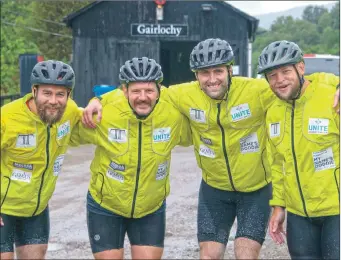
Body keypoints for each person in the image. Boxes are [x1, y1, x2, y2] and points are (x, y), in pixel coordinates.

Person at [81, 39, 339, 259]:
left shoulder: (258, 89)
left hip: (255, 189)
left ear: (230, 71)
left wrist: (337, 83)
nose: (212, 79)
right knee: (208, 255)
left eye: (218, 71)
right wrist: (100, 99)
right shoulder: (182, 94)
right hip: (214, 189)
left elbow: (304, 84)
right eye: (205, 73)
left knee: (245, 253)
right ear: (196, 76)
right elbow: (142, 89)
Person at [69, 57, 192, 259]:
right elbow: (61, 133)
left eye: (149, 91)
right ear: (124, 90)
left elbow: (208, 128)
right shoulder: (104, 114)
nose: (142, 97)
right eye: (136, 91)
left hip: (150, 208)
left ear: (159, 89)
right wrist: (97, 99)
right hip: (105, 206)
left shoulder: (173, 116)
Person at [258, 40, 340, 259]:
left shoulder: (332, 97)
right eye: (272, 75)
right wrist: (278, 205)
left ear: (301, 68)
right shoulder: (273, 112)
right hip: (299, 216)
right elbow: (278, 163)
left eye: (286, 71)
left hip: (337, 212)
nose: (280, 80)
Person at [0, 60, 81, 259]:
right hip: (4, 207)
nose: (53, 101)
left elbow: (93, 116)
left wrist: (100, 101)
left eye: (60, 94)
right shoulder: (7, 117)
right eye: (47, 93)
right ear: (34, 91)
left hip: (36, 209)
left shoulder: (70, 112)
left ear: (69, 96)